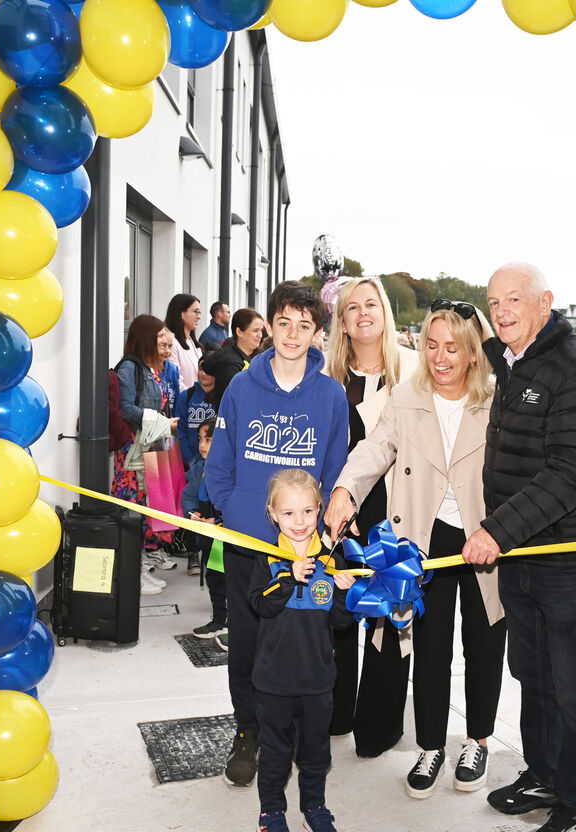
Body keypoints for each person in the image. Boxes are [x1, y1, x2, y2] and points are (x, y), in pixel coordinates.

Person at [461, 262, 576, 832]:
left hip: (571, 558)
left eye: (514, 300)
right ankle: (543, 774)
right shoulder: (515, 358)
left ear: (544, 303)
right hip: (523, 555)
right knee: (532, 673)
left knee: (572, 686)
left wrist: (494, 531)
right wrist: (507, 537)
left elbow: (571, 472)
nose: (502, 311)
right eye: (494, 302)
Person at [326, 301, 506, 799]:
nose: (440, 357)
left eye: (452, 347)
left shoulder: (497, 399)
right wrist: (344, 490)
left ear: (472, 352)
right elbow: (375, 449)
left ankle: (477, 740)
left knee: (485, 641)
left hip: (486, 534)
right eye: (431, 345)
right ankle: (431, 745)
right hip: (425, 539)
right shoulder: (405, 397)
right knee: (428, 645)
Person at [205, 280, 349, 789]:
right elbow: (219, 465)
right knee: (246, 646)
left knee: (297, 646)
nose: (292, 334)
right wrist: (233, 509)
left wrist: (320, 535)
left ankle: (291, 735)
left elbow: (334, 474)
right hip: (249, 547)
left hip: (303, 551)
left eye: (304, 325)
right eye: (283, 323)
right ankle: (248, 731)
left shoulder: (331, 396)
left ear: (317, 333)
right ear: (269, 325)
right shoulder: (242, 386)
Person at [323, 276, 419, 755]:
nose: (362, 312)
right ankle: (334, 715)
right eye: (351, 306)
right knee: (337, 617)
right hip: (339, 512)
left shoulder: (415, 373)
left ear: (385, 311)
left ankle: (378, 727)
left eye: (371, 303)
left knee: (388, 619)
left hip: (397, 513)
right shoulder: (325, 379)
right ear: (341, 321)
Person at [250, 469, 356, 832]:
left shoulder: (332, 561)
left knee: (316, 752)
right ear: (273, 513)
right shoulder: (266, 558)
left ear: (320, 510)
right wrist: (287, 577)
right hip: (273, 679)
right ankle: (271, 812)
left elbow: (342, 623)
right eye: (289, 513)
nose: (299, 521)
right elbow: (259, 605)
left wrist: (344, 593)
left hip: (317, 679)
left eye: (308, 512)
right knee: (276, 752)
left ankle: (314, 805)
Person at [112, 314, 180, 594]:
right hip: (136, 450)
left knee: (151, 508)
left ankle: (140, 566)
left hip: (152, 447)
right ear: (146, 337)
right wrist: (162, 421)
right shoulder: (130, 368)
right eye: (159, 334)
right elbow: (126, 408)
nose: (165, 339)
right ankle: (132, 572)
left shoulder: (153, 368)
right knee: (135, 509)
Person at [182, 420, 226, 633]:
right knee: (213, 576)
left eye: (208, 440)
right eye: (200, 439)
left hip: (227, 535)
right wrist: (193, 513)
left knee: (231, 580)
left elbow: (233, 503)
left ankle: (232, 623)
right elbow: (189, 494)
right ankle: (219, 619)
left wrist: (218, 522)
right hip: (209, 534)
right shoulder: (199, 466)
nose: (202, 445)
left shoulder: (230, 468)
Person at [206, 307, 266, 410]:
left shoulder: (262, 356)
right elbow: (237, 399)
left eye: (261, 330)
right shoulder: (228, 362)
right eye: (255, 330)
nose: (260, 335)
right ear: (239, 332)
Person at [166, 293, 205, 390]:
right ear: (181, 313)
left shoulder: (193, 343)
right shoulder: (172, 344)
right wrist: (190, 398)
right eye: (196, 311)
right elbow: (175, 380)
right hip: (183, 401)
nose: (199, 317)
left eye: (199, 312)